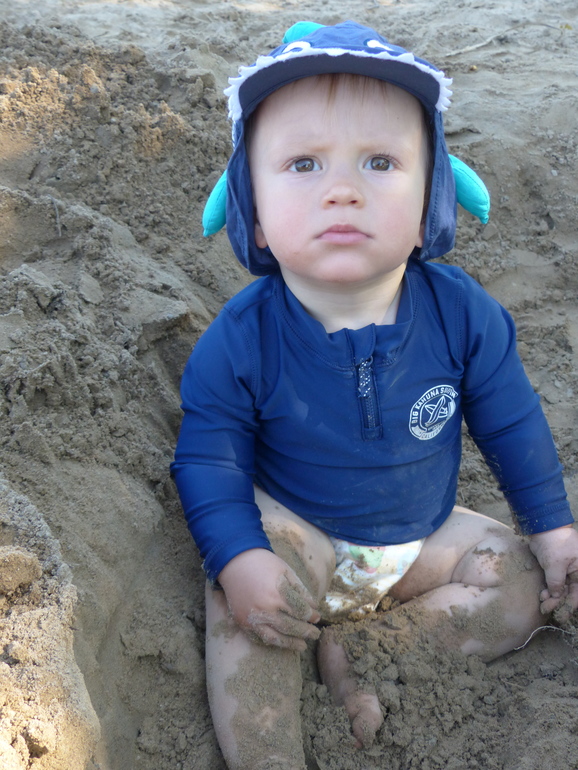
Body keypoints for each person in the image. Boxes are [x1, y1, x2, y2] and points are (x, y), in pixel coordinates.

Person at [171, 20, 578, 770]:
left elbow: (512, 422)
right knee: (243, 609)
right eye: (302, 164)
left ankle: (373, 652)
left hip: (419, 537)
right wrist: (238, 556)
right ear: (251, 210)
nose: (342, 190)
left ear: (430, 202)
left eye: (381, 162)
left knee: (518, 579)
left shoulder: (462, 312)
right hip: (300, 534)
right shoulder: (240, 339)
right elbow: (207, 461)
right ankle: (270, 756)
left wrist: (552, 527)